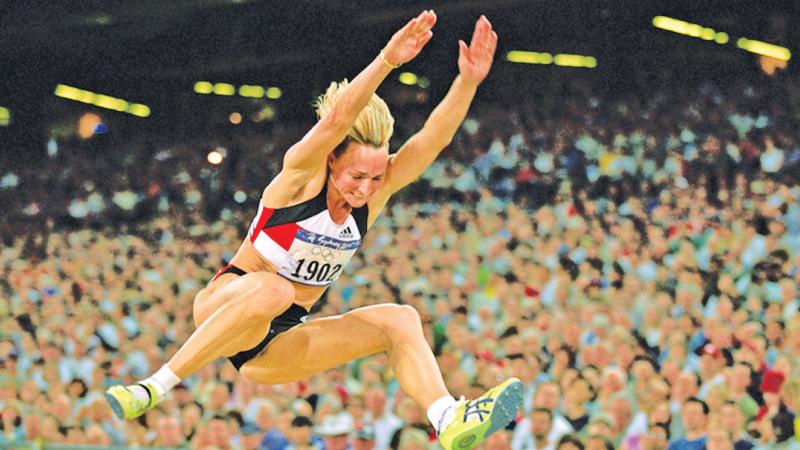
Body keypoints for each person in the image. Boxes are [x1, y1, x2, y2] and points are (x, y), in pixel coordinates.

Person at [104, 9, 522, 450]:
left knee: (400, 319)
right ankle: (154, 386)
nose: (366, 189)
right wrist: (386, 61)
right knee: (274, 291)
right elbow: (338, 121)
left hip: (274, 347)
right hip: (230, 303)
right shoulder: (299, 178)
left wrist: (468, 83)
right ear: (331, 160)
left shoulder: (373, 195)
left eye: (376, 179)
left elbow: (432, 140)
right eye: (356, 176)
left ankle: (448, 416)